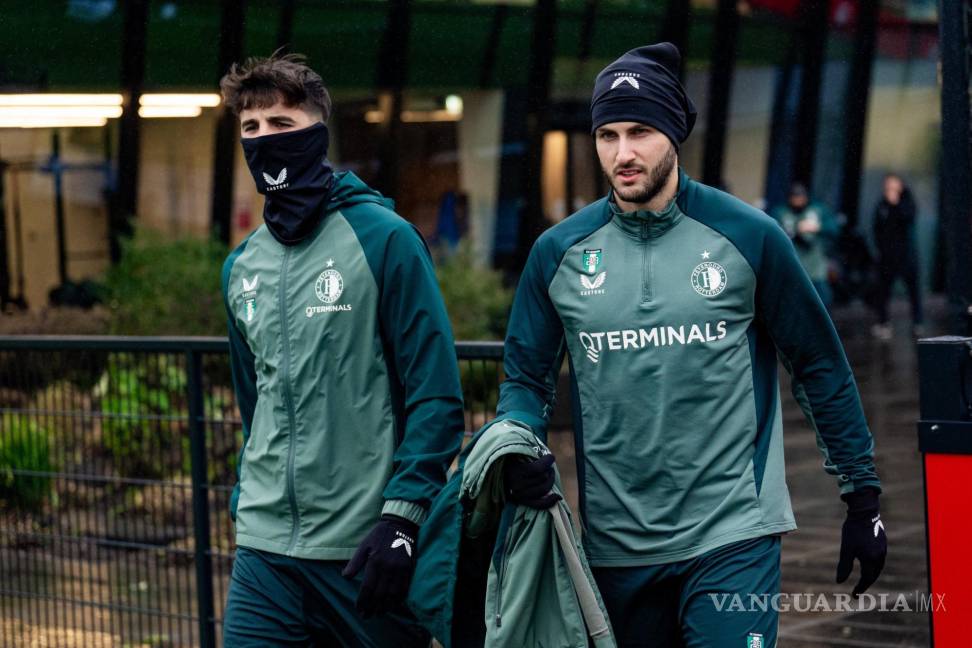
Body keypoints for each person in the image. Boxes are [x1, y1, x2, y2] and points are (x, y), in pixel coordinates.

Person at [493, 43, 886, 647]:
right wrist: (518, 446)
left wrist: (862, 496)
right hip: (616, 546)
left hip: (733, 532)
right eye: (607, 136)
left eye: (640, 132)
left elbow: (818, 364)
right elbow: (525, 378)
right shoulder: (558, 253)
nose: (622, 153)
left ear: (674, 135)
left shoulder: (749, 236)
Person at [218, 53, 465, 647]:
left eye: (281, 124)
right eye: (251, 127)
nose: (264, 139)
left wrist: (403, 518)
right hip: (264, 554)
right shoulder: (241, 267)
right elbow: (255, 404)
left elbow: (436, 396)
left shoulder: (385, 240)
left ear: (318, 132)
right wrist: (246, 497)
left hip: (364, 552)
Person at [871, 173, 923, 340]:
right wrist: (881, 249)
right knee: (883, 292)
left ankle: (918, 322)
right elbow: (876, 228)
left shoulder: (907, 202)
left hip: (907, 256)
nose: (891, 187)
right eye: (888, 184)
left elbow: (909, 217)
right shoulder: (881, 205)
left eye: (894, 184)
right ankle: (883, 323)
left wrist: (896, 204)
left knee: (914, 292)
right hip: (887, 257)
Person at [771, 182, 839, 307]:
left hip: (815, 267)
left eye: (800, 197)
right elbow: (770, 234)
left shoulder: (817, 210)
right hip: (791, 266)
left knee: (822, 302)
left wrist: (817, 227)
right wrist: (794, 230)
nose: (798, 200)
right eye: (795, 197)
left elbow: (834, 228)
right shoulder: (781, 212)